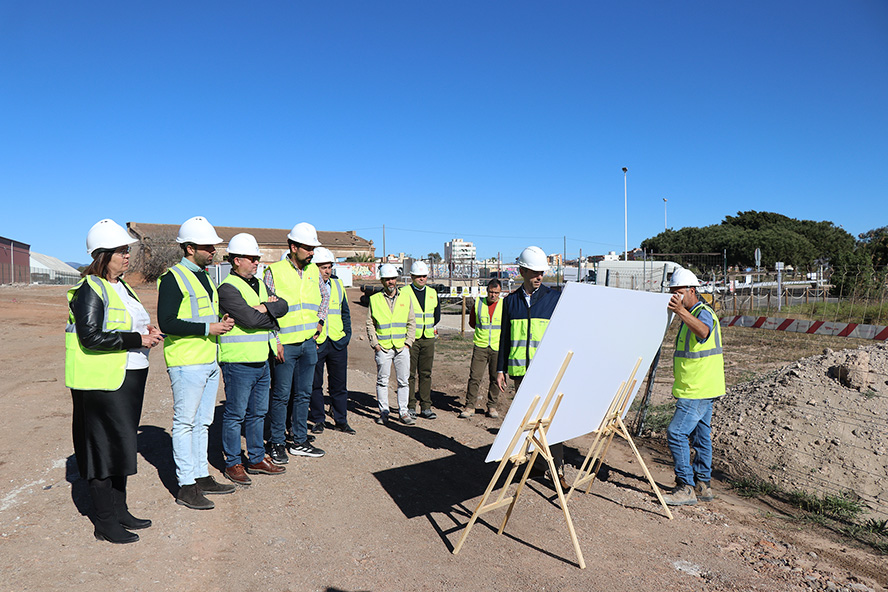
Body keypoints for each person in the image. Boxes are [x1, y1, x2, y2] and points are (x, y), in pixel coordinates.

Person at [66, 219, 163, 544]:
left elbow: (127, 323)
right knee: (103, 451)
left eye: (126, 250)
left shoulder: (121, 286)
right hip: (102, 385)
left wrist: (147, 333)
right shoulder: (89, 289)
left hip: (127, 378)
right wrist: (137, 338)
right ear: (102, 254)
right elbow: (91, 337)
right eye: (121, 251)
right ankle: (105, 522)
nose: (126, 255)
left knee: (122, 446)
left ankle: (120, 510)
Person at [157, 216, 236, 510]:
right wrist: (208, 329)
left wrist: (218, 322)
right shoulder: (172, 278)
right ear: (189, 248)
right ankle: (185, 485)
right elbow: (167, 322)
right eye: (207, 246)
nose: (213, 250)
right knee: (185, 423)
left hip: (208, 359)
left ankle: (201, 475)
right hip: (187, 362)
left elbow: (202, 315)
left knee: (203, 422)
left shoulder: (204, 276)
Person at [217, 233, 290, 487]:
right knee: (235, 415)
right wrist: (265, 311)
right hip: (238, 362)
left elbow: (284, 306)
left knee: (259, 413)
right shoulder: (227, 289)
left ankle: (257, 458)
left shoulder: (259, 284)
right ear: (237, 260)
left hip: (261, 360)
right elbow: (249, 320)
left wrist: (265, 309)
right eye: (252, 258)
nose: (257, 262)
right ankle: (233, 462)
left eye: (257, 258)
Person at [496, 246, 568, 490]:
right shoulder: (510, 302)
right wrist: (500, 369)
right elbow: (504, 338)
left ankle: (557, 470)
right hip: (520, 374)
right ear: (523, 271)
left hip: (546, 372)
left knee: (549, 423)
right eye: (535, 272)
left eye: (542, 272)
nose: (540, 276)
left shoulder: (554, 299)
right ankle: (532, 466)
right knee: (525, 421)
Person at [263, 222, 327, 464]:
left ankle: (299, 440)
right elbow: (267, 311)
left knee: (303, 394)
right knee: (281, 395)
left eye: (313, 248)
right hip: (285, 345)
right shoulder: (273, 271)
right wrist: (275, 341)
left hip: (308, 344)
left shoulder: (312, 271)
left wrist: (320, 322)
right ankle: (277, 442)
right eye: (308, 248)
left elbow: (325, 296)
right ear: (293, 246)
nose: (312, 253)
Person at [661, 268, 725, 506]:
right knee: (700, 437)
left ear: (691, 290)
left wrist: (679, 311)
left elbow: (703, 331)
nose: (675, 296)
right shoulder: (690, 312)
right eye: (672, 293)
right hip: (701, 387)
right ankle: (703, 485)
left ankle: (685, 487)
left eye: (678, 292)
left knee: (676, 433)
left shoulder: (701, 312)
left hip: (698, 389)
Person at [308, 247, 355, 435]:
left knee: (339, 385)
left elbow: (345, 314)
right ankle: (318, 419)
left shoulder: (338, 285)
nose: (327, 271)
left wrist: (346, 336)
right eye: (322, 267)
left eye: (329, 267)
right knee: (315, 384)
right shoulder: (309, 288)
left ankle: (341, 420)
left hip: (337, 342)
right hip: (318, 343)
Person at [367, 263, 416, 425]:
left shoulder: (405, 298)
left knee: (403, 381)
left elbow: (411, 322)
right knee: (383, 381)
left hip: (402, 347)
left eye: (393, 279)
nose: (391, 282)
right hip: (383, 347)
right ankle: (384, 412)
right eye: (387, 279)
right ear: (382, 281)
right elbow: (370, 323)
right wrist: (375, 344)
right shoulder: (374, 300)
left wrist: (408, 343)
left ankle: (403, 412)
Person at [459, 278, 503, 418]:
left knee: (496, 378)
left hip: (497, 347)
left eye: (496, 293)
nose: (493, 295)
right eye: (491, 292)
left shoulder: (504, 305)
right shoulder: (478, 303)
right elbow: (473, 322)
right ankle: (470, 406)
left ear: (500, 292)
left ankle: (492, 406)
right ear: (486, 291)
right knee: (475, 377)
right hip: (480, 346)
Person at [406, 260, 440, 420]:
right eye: (418, 276)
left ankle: (426, 407)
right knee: (410, 374)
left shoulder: (433, 293)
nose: (421, 279)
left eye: (424, 276)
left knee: (426, 374)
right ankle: (410, 406)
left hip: (428, 339)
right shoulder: (404, 292)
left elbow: (437, 315)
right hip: (411, 339)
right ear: (412, 276)